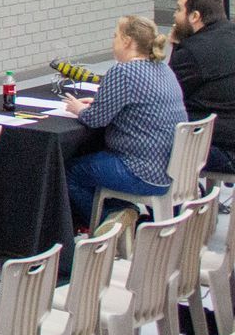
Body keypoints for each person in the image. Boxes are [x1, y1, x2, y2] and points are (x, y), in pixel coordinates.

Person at [63, 15, 185, 232]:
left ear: (127, 41)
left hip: (141, 169)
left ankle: (110, 218)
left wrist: (79, 109)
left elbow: (95, 119)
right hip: (170, 167)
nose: (113, 41)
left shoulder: (123, 72)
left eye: (116, 36)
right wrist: (101, 102)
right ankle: (123, 211)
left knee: (70, 173)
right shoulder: (164, 69)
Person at [170, 0, 235, 172]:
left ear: (195, 16)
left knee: (152, 150)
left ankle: (173, 200)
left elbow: (169, 95)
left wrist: (176, 46)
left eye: (178, 9)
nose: (175, 16)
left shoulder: (192, 52)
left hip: (222, 149)